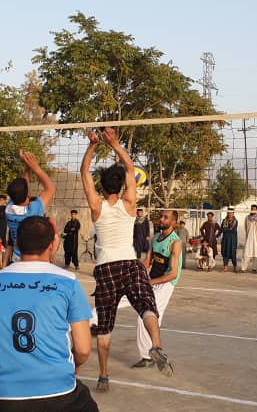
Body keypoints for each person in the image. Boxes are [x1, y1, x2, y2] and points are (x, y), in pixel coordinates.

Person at [79, 127, 173, 392]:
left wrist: (93, 145)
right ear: (121, 186)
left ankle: (104, 375)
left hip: (106, 268)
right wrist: (116, 144)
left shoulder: (97, 205)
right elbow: (131, 171)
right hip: (130, 264)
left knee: (105, 324)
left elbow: (84, 173)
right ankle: (156, 344)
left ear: (102, 185)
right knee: (146, 305)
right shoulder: (129, 203)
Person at [0, 216, 97, 411]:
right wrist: (71, 370)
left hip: (5, 395)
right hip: (58, 390)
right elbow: (82, 349)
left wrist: (4, 376)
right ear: (53, 244)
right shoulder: (68, 281)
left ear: (18, 244)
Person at [132, 209, 184, 369]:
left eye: (165, 217)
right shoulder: (155, 238)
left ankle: (150, 355)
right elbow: (147, 262)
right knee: (148, 314)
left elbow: (173, 274)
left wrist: (152, 282)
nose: (161, 219)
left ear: (173, 222)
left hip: (166, 283)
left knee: (145, 316)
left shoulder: (175, 243)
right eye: (161, 216)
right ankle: (153, 353)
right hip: (152, 280)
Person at [4, 150, 57, 264]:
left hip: (17, 257)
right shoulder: (32, 211)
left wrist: (27, 166)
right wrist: (35, 166)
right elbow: (51, 188)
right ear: (28, 194)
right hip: (34, 260)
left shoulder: (8, 209)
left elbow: (23, 187)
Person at [242, 205, 257, 273]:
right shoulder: (247, 218)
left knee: (256, 254)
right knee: (246, 253)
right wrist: (248, 235)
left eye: (254, 209)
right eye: (252, 209)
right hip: (249, 238)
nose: (253, 210)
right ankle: (243, 268)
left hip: (256, 239)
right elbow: (245, 227)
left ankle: (254, 268)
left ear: (256, 210)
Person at [220, 208, 239, 273]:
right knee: (225, 252)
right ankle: (225, 267)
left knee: (233, 253)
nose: (229, 214)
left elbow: (233, 230)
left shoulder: (235, 221)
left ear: (233, 213)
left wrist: (227, 228)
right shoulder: (224, 220)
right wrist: (228, 228)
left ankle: (235, 267)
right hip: (225, 239)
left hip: (232, 239)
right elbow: (222, 229)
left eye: (231, 213)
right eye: (228, 213)